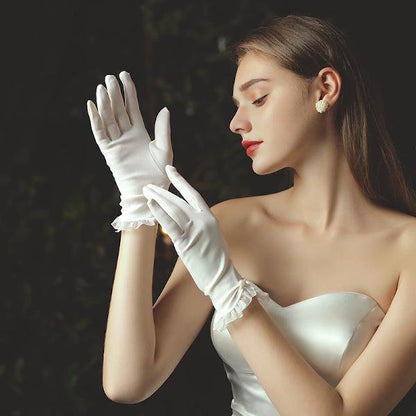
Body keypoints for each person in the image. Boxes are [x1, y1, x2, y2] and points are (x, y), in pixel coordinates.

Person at [86, 14, 416, 416]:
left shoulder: (408, 250)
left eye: (258, 98)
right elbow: (127, 382)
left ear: (325, 88)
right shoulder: (229, 225)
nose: (237, 123)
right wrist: (140, 205)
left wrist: (230, 292)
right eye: (237, 106)